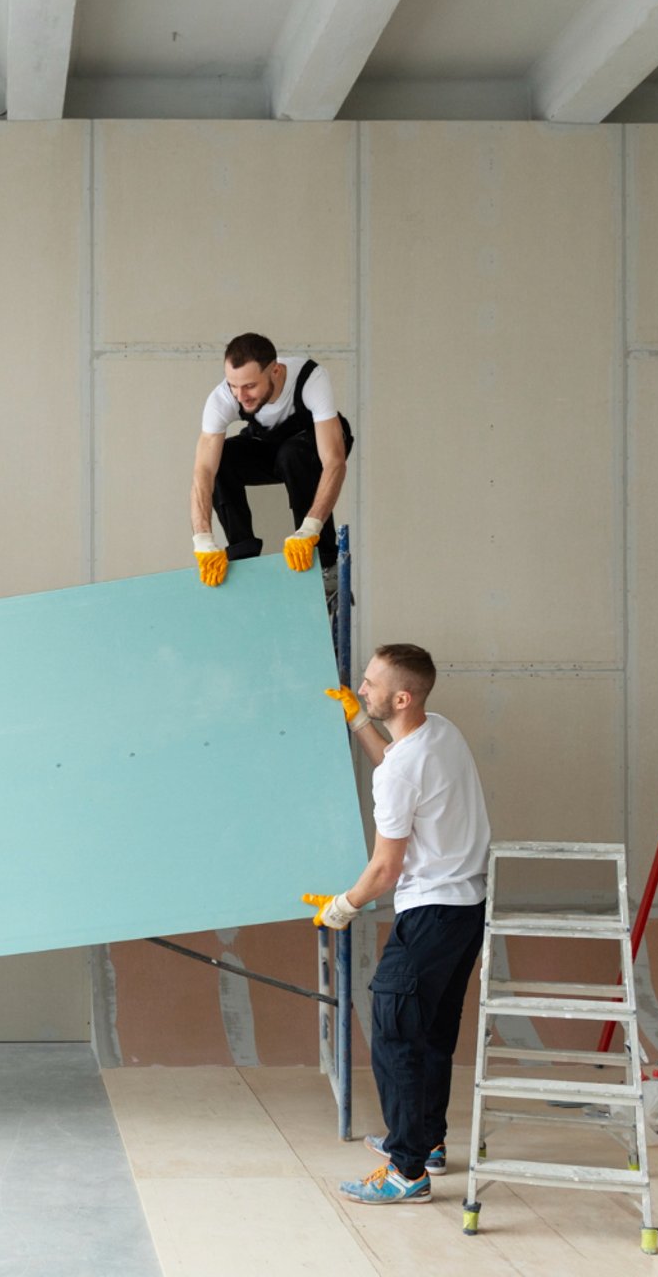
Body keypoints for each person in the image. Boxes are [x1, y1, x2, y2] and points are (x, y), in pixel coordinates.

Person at [303, 643, 490, 1205]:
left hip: (430, 912)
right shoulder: (441, 732)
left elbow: (385, 868)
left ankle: (407, 1171)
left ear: (402, 697)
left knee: (393, 1031)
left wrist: (344, 905)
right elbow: (397, 767)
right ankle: (426, 1141)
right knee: (429, 1031)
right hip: (466, 910)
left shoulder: (405, 768)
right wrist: (362, 723)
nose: (361, 689)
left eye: (370, 685)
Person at [189, 333, 351, 608]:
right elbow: (203, 471)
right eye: (234, 386)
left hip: (310, 449)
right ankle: (244, 558)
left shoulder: (311, 379)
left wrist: (310, 528)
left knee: (293, 454)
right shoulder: (224, 398)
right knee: (223, 458)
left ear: (275, 371)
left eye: (250, 386)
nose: (241, 396)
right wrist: (202, 539)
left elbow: (334, 461)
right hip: (271, 448)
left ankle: (324, 563)